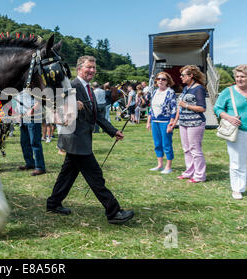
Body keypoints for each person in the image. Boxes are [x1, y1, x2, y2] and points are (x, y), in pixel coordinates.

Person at [47, 55, 134, 225]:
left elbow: (97, 115)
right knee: (96, 177)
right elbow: (55, 109)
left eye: (94, 68)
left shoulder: (88, 89)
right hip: (75, 139)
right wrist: (73, 106)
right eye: (89, 67)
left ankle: (53, 203)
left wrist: (113, 130)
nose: (92, 71)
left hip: (81, 139)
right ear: (79, 68)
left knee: (67, 175)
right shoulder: (71, 86)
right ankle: (113, 212)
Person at [214, 64, 247, 200]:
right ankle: (237, 189)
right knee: (237, 161)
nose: (239, 79)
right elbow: (217, 108)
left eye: (243, 76)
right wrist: (229, 118)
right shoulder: (229, 91)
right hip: (237, 132)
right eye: (237, 76)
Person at [173, 65, 207, 183]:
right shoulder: (186, 88)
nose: (181, 77)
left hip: (195, 122)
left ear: (191, 76)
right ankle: (189, 172)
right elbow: (180, 106)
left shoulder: (199, 89)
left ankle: (199, 175)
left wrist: (186, 105)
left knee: (195, 149)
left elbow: (202, 108)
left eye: (183, 75)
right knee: (186, 149)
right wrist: (175, 121)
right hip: (184, 122)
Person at [146, 72, 177, 174]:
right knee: (157, 144)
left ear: (167, 81)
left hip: (165, 122)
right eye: (158, 79)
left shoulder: (170, 92)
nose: (160, 81)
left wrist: (171, 123)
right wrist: (148, 122)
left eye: (163, 79)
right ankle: (160, 165)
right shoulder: (154, 92)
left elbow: (174, 109)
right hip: (155, 122)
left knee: (166, 144)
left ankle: (168, 166)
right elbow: (151, 108)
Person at [14, 90, 46, 176]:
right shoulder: (19, 85)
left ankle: (40, 167)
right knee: (24, 142)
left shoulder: (32, 83)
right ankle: (30, 163)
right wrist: (17, 113)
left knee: (35, 143)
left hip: (33, 117)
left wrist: (33, 109)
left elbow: (41, 98)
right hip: (22, 117)